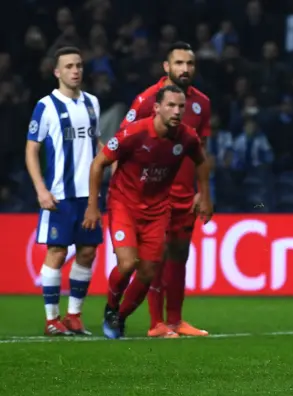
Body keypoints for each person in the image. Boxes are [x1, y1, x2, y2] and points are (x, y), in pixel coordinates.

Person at [82, 85, 213, 339]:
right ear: (156, 108)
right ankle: (111, 306)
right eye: (171, 106)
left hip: (157, 210)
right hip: (124, 204)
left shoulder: (186, 138)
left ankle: (120, 318)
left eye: (181, 107)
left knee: (148, 271)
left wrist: (204, 195)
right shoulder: (134, 133)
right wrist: (92, 205)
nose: (177, 111)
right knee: (128, 263)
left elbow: (202, 161)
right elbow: (99, 163)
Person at [119, 41, 211, 338]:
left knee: (180, 255)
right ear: (166, 67)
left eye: (190, 64)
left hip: (186, 194)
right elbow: (123, 139)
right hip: (154, 195)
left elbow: (201, 150)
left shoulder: (201, 104)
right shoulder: (148, 100)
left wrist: (202, 191)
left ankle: (176, 320)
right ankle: (155, 322)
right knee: (154, 257)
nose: (185, 69)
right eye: (179, 63)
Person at [24, 46, 103, 336]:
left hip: (89, 195)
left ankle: (74, 316)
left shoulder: (93, 103)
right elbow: (31, 150)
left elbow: (95, 143)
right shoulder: (45, 106)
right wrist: (41, 189)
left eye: (79, 65)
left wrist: (111, 161)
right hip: (60, 194)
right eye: (69, 66)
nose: (75, 70)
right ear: (57, 72)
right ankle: (51, 319)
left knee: (87, 252)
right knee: (57, 252)